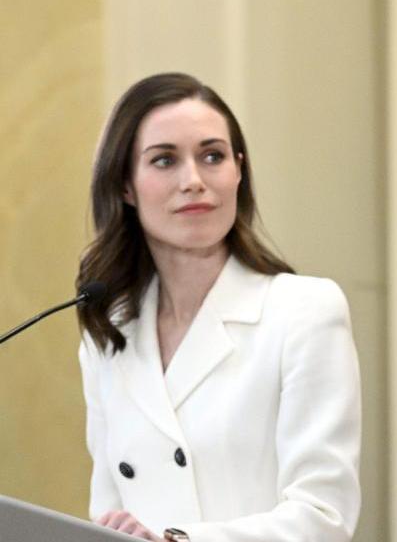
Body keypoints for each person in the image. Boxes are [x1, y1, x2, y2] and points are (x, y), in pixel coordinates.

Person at [76, 73, 362, 542]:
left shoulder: (305, 311)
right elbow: (107, 512)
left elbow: (323, 515)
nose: (194, 181)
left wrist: (177, 540)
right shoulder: (108, 335)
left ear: (238, 171)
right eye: (164, 160)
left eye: (212, 156)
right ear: (125, 185)